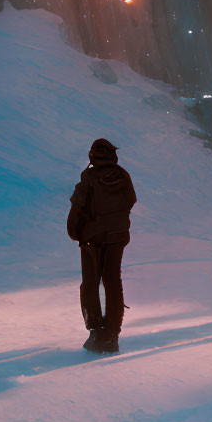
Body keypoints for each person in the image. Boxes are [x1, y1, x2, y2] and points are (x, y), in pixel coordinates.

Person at [67, 138, 138, 354]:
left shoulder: (89, 177)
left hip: (93, 238)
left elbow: (78, 207)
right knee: (112, 282)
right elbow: (131, 200)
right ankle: (112, 334)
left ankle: (96, 331)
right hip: (117, 236)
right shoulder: (123, 175)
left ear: (92, 156)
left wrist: (75, 231)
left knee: (91, 283)